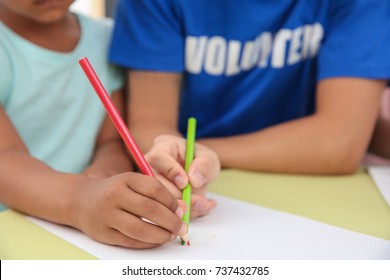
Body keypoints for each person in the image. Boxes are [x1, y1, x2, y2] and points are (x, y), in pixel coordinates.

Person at [0, 0, 219, 249]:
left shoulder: (105, 36)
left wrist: (104, 175)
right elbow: (4, 158)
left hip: (84, 227)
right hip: (15, 226)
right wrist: (80, 199)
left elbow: (111, 141)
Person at [109, 0, 390, 175]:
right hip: (199, 186)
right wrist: (176, 158)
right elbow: (149, 126)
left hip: (293, 185)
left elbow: (338, 143)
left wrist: (194, 154)